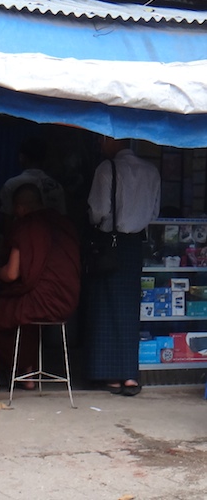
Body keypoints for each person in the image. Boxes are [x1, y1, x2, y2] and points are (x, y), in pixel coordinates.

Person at [0, 183, 81, 392]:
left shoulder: (27, 226)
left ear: (19, 208)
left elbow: (11, 274)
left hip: (40, 300)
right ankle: (27, 375)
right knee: (24, 318)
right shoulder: (63, 223)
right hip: (67, 300)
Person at [85, 136, 161, 397]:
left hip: (111, 242)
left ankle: (110, 375)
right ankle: (130, 374)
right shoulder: (151, 170)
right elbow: (154, 213)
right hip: (135, 245)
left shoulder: (107, 168)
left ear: (109, 140)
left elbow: (98, 210)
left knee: (105, 308)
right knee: (130, 309)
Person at [0, 137, 66, 216]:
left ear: (22, 157)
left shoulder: (11, 185)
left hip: (22, 228)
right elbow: (62, 216)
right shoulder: (57, 187)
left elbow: (6, 217)